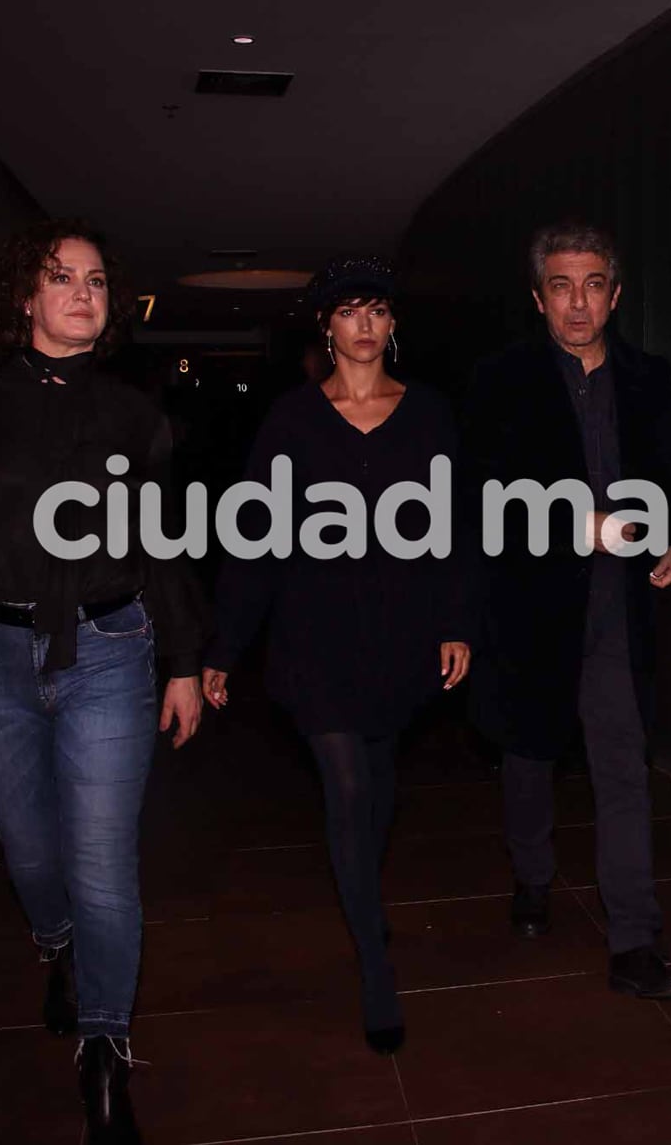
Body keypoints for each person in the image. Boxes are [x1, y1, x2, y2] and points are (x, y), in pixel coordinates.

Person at [0, 219, 206, 1144]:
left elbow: (164, 545)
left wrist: (183, 660)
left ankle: (105, 1049)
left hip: (110, 648)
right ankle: (56, 948)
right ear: (25, 297)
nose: (81, 294)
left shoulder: (137, 417)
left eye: (97, 282)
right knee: (30, 855)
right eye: (61, 278)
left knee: (104, 865)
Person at [201, 257, 474, 1056]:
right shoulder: (290, 420)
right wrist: (226, 643)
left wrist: (457, 621)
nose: (363, 323)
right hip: (312, 633)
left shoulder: (428, 415)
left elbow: (456, 526)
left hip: (400, 629)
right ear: (326, 325)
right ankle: (374, 967)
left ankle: (363, 899)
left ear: (394, 324)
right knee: (348, 786)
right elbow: (257, 537)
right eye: (348, 309)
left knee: (380, 782)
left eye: (377, 309)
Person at [461, 222, 671, 1001]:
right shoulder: (501, 380)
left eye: (592, 284)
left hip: (615, 608)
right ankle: (532, 875)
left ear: (615, 294)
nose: (577, 303)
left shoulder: (646, 377)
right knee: (528, 756)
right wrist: (572, 525)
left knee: (622, 766)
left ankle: (635, 940)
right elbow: (480, 498)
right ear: (538, 297)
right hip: (530, 606)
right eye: (560, 286)